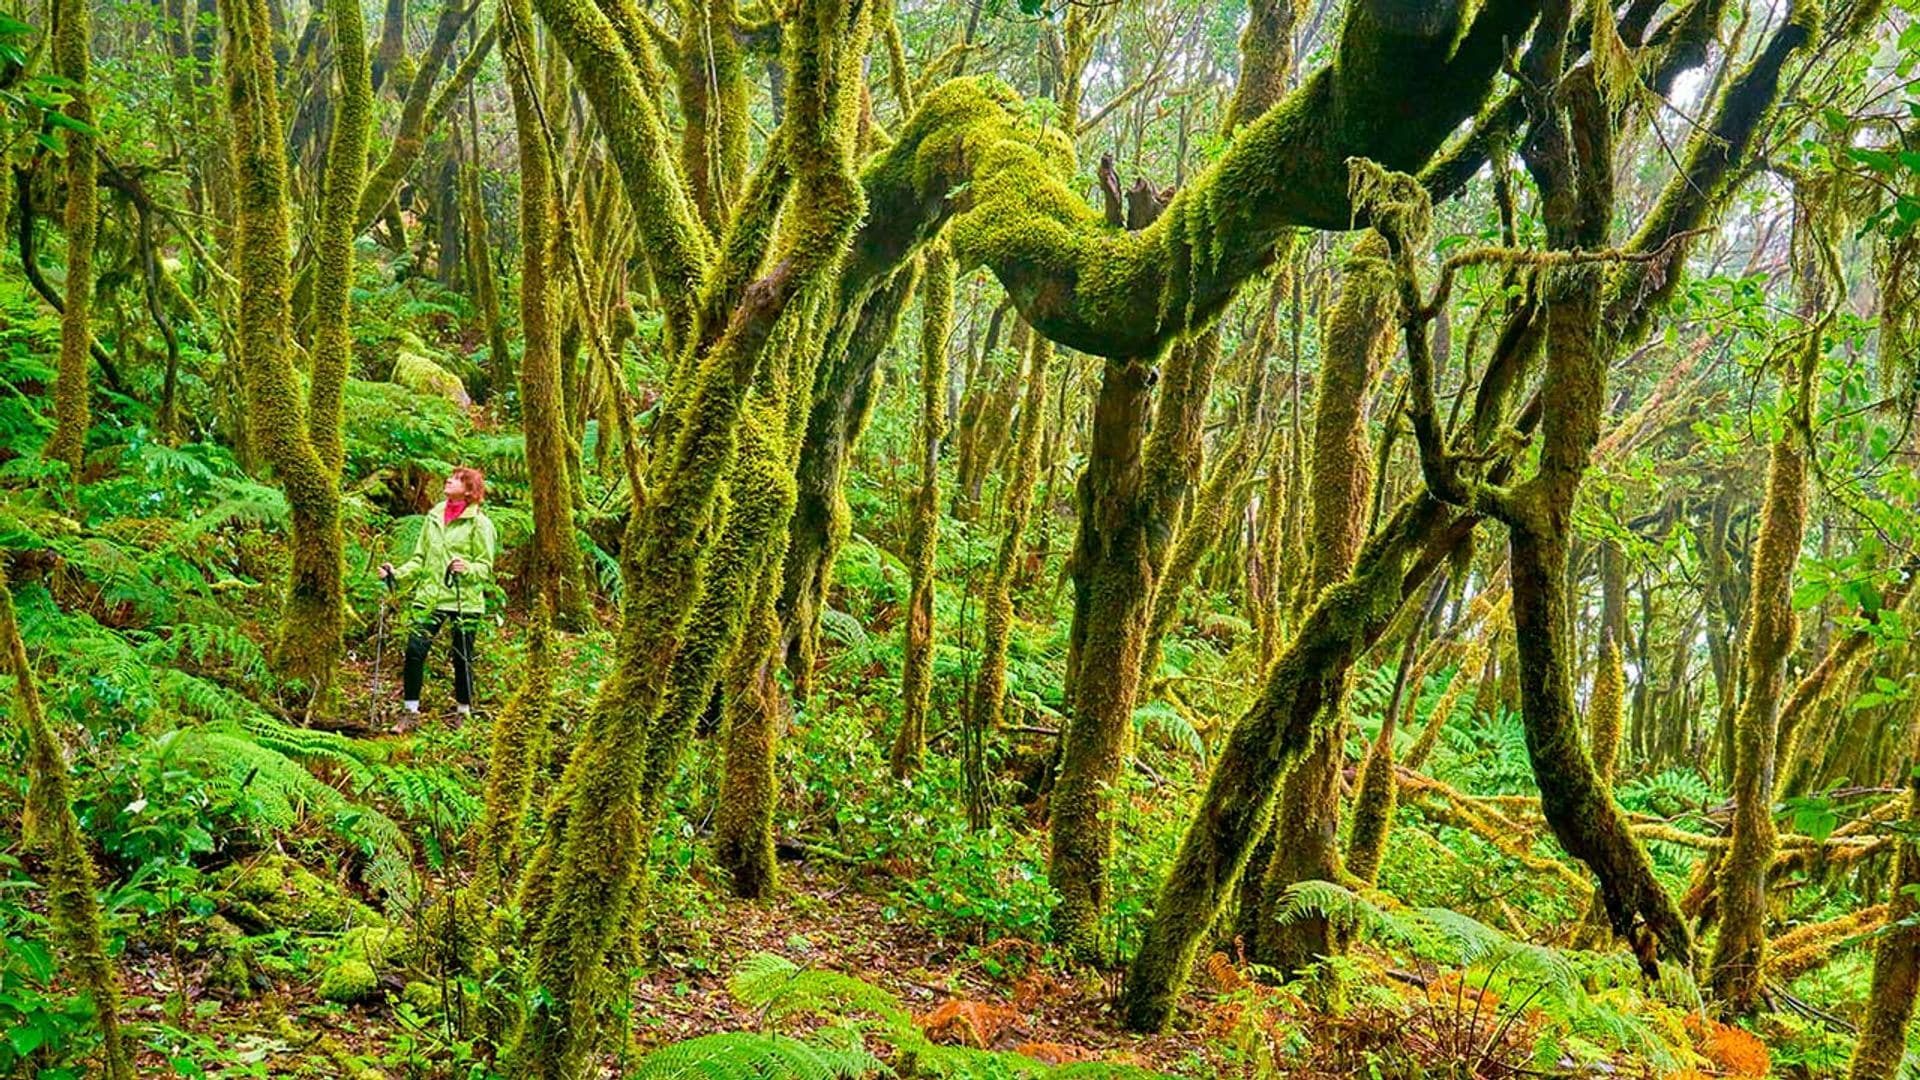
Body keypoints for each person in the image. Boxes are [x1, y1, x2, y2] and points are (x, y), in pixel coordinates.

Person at [381, 467, 497, 727]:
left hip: (462, 599)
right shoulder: (433, 516)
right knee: (414, 651)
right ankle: (410, 711)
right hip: (430, 597)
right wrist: (395, 573)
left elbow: (485, 567)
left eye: (457, 479)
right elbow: (420, 559)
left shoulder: (480, 523)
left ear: (469, 490)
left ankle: (463, 712)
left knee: (462, 657)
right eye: (451, 477)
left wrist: (466, 568)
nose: (448, 480)